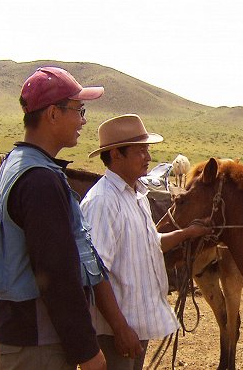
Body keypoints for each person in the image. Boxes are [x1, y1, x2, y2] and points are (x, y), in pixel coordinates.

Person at [0, 67, 135, 370]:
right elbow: (57, 278)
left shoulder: (16, 164)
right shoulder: (40, 181)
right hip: (37, 343)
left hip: (22, 334)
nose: (83, 120)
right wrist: (87, 352)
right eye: (79, 110)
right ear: (52, 114)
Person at [80, 114, 212, 370]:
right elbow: (95, 273)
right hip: (114, 330)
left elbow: (151, 242)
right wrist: (120, 329)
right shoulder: (103, 202)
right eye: (141, 151)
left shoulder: (136, 195)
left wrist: (187, 233)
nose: (148, 158)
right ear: (116, 154)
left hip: (134, 324)